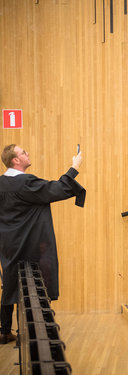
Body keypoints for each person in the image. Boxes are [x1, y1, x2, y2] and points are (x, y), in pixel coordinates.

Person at [0, 144, 85, 344]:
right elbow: (57, 189)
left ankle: (4, 331)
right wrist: (74, 167)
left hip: (7, 243)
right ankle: (26, 335)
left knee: (10, 284)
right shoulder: (24, 183)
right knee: (31, 287)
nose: (27, 153)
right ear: (15, 160)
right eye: (23, 153)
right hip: (28, 243)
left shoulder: (1, 183)